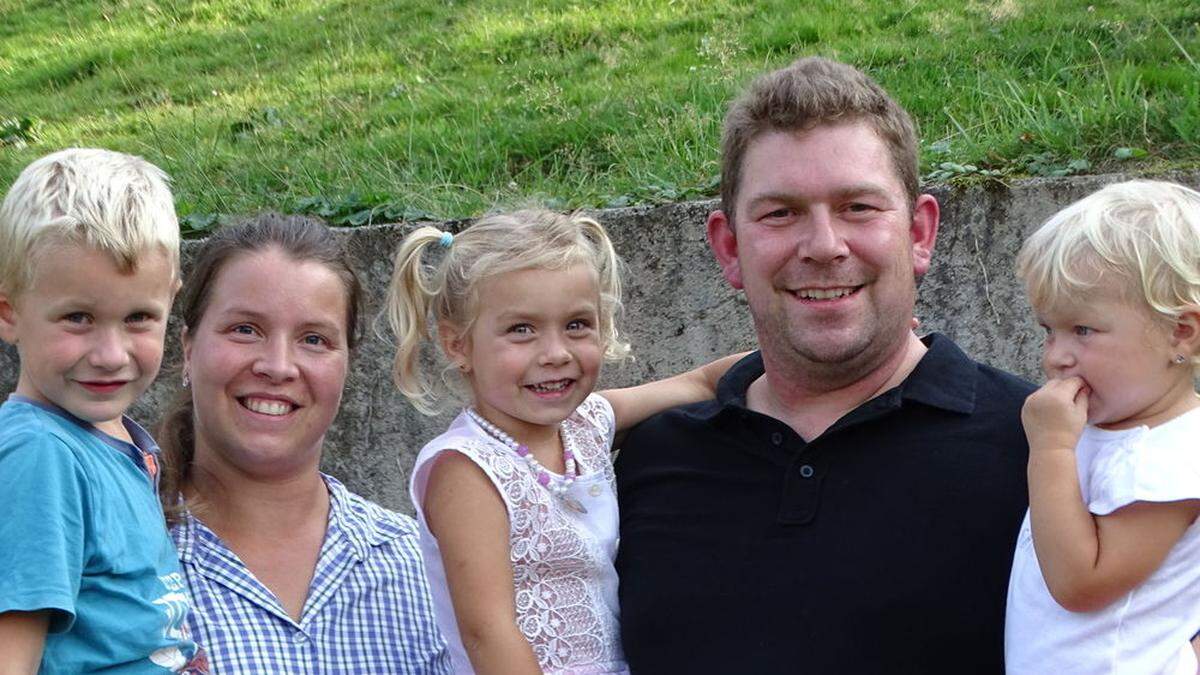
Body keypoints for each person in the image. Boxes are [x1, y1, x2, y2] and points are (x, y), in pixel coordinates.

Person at [614, 56, 1033, 673]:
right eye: (780, 213)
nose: (823, 246)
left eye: (858, 207)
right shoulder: (649, 460)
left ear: (919, 233)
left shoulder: (1038, 448)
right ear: (729, 249)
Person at [387, 209, 741, 674]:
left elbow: (699, 382)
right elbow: (488, 633)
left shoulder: (587, 423)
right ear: (458, 345)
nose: (555, 354)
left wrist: (801, 362)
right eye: (521, 330)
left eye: (576, 324)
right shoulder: (466, 470)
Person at [157, 215, 448, 673]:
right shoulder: (121, 563)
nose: (278, 366)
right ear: (189, 348)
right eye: (245, 329)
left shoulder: (421, 566)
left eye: (314, 339)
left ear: (347, 365)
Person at [0, 149, 207, 672]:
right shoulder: (40, 455)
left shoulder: (105, 441)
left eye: (139, 317)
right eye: (77, 318)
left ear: (171, 300)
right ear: (8, 313)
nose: (111, 355)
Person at [1005, 180, 1200, 674]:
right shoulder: (1107, 430)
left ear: (1181, 333)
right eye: (1048, 330)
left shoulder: (1174, 457)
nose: (1056, 356)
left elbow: (1081, 585)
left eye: (1083, 330)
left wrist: (1049, 450)